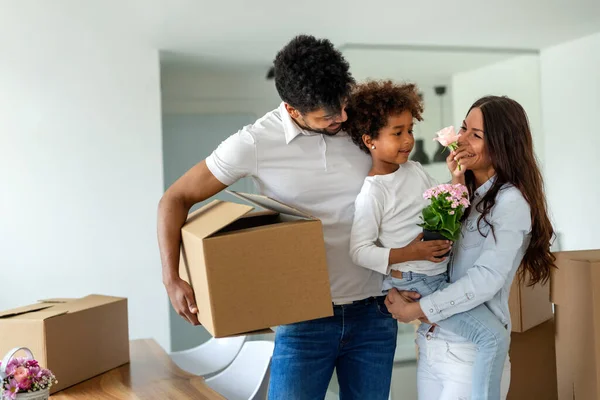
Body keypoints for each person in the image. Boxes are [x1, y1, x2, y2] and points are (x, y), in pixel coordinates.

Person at [157, 35, 400, 400]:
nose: (343, 118)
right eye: (328, 116)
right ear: (292, 109)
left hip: (376, 312)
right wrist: (171, 277)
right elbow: (175, 198)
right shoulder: (254, 142)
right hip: (302, 319)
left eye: (343, 105)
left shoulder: (361, 121)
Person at [346, 80, 510, 400]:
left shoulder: (415, 169)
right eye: (397, 133)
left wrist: (456, 177)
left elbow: (450, 204)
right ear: (370, 140)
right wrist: (410, 251)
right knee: (490, 337)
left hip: (439, 276)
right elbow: (359, 251)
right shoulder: (373, 192)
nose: (408, 140)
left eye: (410, 129)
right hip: (418, 280)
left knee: (484, 333)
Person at [385, 95, 556, 400]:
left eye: (475, 135)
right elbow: (434, 259)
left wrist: (418, 308)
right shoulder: (462, 193)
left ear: (503, 145)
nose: (461, 140)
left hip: (469, 356)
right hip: (432, 345)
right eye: (463, 129)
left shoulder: (511, 202)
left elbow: (485, 280)